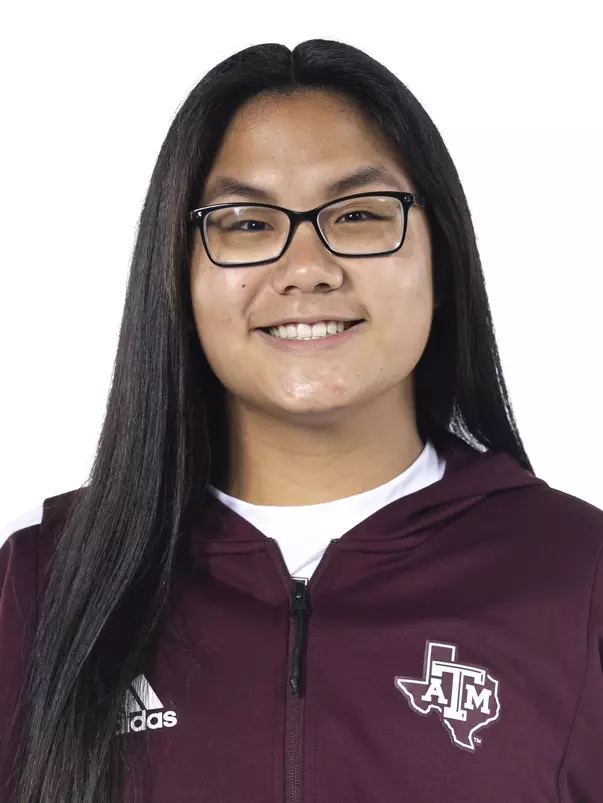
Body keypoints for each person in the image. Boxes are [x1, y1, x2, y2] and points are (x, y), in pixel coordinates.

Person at [1, 38, 602, 803]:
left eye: (356, 213)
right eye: (246, 224)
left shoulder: (578, 573)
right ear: (178, 276)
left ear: (439, 258)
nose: (306, 266)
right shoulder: (41, 579)